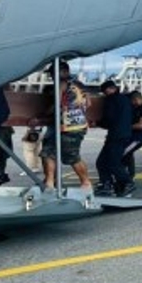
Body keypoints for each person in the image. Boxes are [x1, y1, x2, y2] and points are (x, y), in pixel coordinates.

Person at [40, 62, 92, 191]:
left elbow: (56, 103)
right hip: (78, 124)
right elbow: (89, 103)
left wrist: (44, 114)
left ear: (63, 72)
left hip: (69, 126)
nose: (52, 76)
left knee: (71, 156)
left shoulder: (61, 84)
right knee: (49, 152)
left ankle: (85, 183)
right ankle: (50, 182)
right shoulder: (80, 85)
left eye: (53, 73)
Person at [94, 81, 135, 197]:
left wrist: (97, 122)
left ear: (110, 89)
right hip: (124, 134)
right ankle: (109, 184)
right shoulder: (125, 99)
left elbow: (109, 119)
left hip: (116, 136)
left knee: (110, 162)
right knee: (105, 161)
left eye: (104, 91)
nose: (104, 94)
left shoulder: (111, 100)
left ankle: (125, 182)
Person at [124, 91, 142, 177]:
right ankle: (130, 175)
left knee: (121, 154)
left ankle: (124, 177)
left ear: (136, 99)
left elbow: (140, 125)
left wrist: (124, 126)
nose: (132, 104)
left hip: (137, 138)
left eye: (132, 102)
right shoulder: (136, 108)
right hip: (132, 137)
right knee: (128, 155)